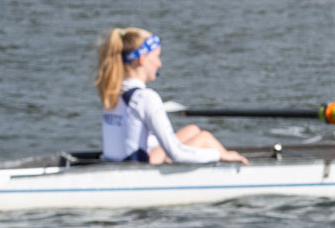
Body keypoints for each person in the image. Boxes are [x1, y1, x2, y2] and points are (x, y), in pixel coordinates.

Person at [96, 29, 243, 165]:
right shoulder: (145, 98)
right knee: (204, 137)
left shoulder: (113, 92)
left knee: (192, 130)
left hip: (120, 163)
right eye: (157, 57)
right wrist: (219, 155)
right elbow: (176, 154)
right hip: (141, 171)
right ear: (142, 59)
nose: (159, 64)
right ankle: (237, 168)